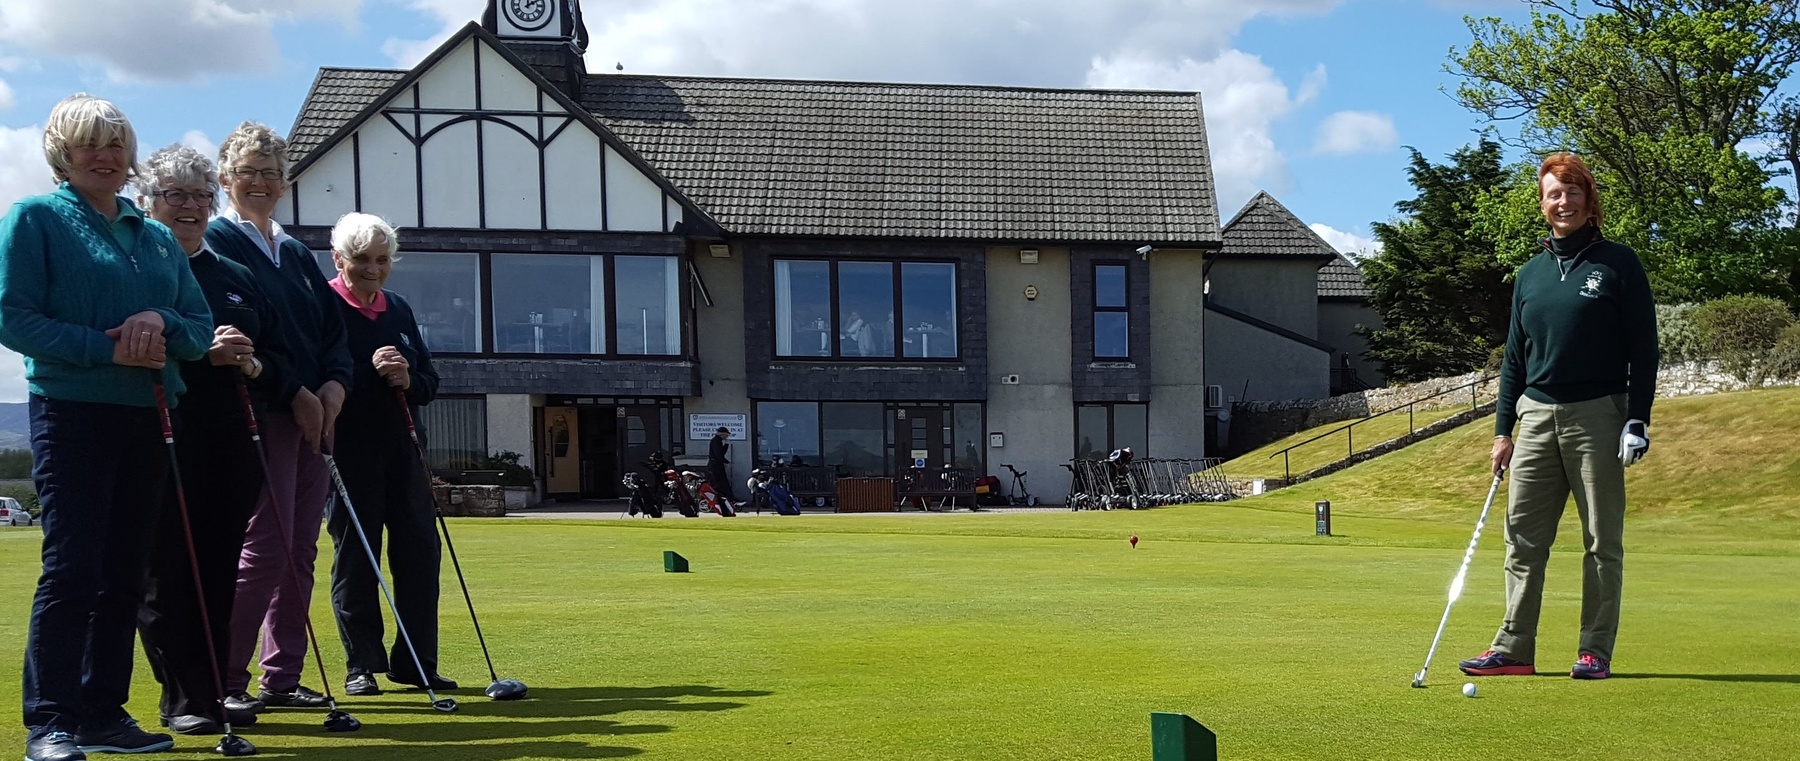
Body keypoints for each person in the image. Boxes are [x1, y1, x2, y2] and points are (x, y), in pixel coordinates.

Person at [0, 94, 213, 761]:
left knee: (124, 572)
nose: (106, 156)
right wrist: (106, 345)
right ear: (62, 153)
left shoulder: (152, 236)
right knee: (72, 570)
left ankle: (102, 711)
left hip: (148, 415)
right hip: (71, 412)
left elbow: (199, 330)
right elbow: (13, 315)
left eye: (116, 144)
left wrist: (160, 322)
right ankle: (52, 721)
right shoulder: (34, 218)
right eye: (90, 143)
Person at [1460, 153, 1658, 682]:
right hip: (1536, 417)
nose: (1563, 202)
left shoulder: (1618, 263)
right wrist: (1503, 431)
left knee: (1600, 540)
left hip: (1598, 413)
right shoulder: (1530, 275)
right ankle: (1514, 648)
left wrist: (1637, 420)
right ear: (1543, 204)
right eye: (1554, 193)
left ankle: (1594, 650)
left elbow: (1645, 348)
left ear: (1589, 201)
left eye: (1572, 192)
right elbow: (1515, 361)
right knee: (1522, 539)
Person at [135, 145, 292, 736]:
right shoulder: (140, 265)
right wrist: (203, 350)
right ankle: (183, 695)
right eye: (176, 195)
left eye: (201, 196)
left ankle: (214, 688)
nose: (191, 207)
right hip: (162, 433)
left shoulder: (237, 275)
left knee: (220, 568)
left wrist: (252, 366)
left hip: (233, 438)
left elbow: (279, 360)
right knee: (166, 570)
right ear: (150, 203)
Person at [207, 122, 354, 713]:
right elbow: (253, 335)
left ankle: (283, 677)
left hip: (313, 417)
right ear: (226, 179)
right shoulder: (220, 243)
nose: (261, 182)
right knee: (264, 548)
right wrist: (296, 390)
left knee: (301, 549)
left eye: (271, 172)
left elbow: (330, 331)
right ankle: (224, 680)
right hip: (263, 411)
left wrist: (334, 387)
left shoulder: (294, 252)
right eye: (249, 172)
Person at [320, 212, 452, 696]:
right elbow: (319, 375)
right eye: (361, 260)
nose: (372, 269)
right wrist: (363, 372)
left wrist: (407, 378)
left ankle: (417, 662)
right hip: (349, 448)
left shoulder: (398, 309)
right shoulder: (324, 306)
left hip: (404, 446)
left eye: (381, 259)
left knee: (420, 551)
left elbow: (429, 383)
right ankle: (362, 665)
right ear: (339, 259)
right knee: (357, 555)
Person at [708, 426, 738, 503]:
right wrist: (727, 462)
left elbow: (720, 454)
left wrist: (726, 446)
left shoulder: (717, 441)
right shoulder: (716, 441)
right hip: (716, 465)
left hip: (716, 464)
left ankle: (728, 498)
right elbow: (719, 455)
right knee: (721, 483)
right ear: (722, 434)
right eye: (726, 435)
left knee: (721, 483)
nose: (726, 437)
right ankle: (728, 499)